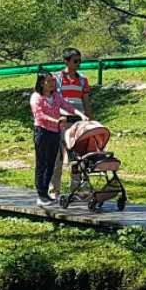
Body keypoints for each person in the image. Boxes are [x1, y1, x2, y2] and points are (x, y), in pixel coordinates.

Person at [50, 49, 90, 199]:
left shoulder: (82, 80)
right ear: (66, 61)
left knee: (78, 156)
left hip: (78, 123)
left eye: (80, 61)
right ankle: (54, 190)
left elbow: (86, 101)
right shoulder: (56, 79)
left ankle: (77, 189)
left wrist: (89, 120)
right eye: (75, 61)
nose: (78, 64)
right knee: (58, 157)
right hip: (61, 121)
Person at [30, 71, 64, 207]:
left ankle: (45, 193)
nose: (51, 83)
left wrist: (80, 114)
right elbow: (39, 115)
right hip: (42, 132)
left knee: (51, 163)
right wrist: (56, 120)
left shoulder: (55, 96)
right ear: (41, 83)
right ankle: (40, 194)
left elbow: (66, 105)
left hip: (55, 132)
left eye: (53, 80)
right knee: (41, 163)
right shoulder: (36, 97)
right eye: (48, 81)